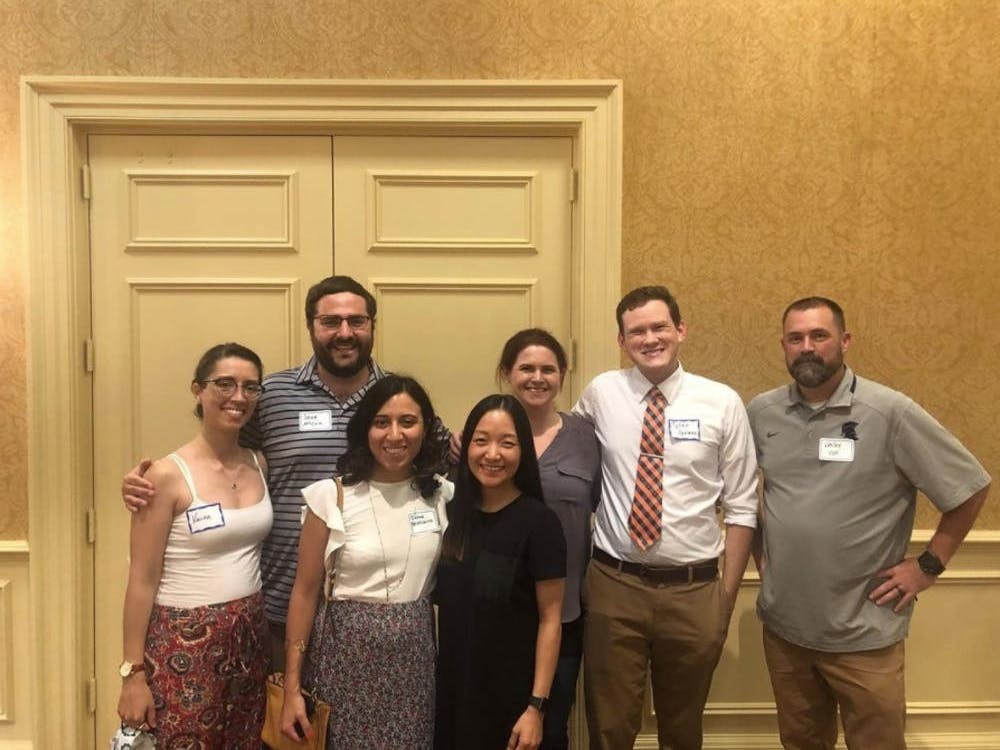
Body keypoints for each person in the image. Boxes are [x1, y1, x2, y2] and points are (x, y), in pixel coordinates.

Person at [123, 275, 448, 668]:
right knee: (284, 724)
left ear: (372, 326)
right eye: (330, 322)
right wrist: (149, 480)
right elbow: (225, 454)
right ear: (311, 326)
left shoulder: (396, 398)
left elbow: (450, 456)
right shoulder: (272, 395)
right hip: (280, 604)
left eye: (356, 321)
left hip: (370, 610)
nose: (344, 332)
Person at [747, 296, 991, 750]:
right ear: (782, 345)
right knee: (800, 743)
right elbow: (742, 497)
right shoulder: (762, 413)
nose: (807, 347)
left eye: (819, 336)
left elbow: (970, 486)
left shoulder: (889, 412)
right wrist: (763, 558)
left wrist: (927, 567)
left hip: (865, 634)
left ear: (844, 340)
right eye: (795, 338)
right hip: (785, 631)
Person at [573, 286, 758, 750]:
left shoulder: (721, 402)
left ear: (680, 330)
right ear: (622, 340)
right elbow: (560, 449)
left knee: (682, 728)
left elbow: (742, 506)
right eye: (637, 331)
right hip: (615, 585)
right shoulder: (601, 393)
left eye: (659, 327)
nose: (649, 338)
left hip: (693, 591)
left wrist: (724, 598)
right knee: (611, 729)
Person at [280, 374, 451, 748]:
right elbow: (305, 593)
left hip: (413, 665)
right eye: (381, 422)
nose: (395, 435)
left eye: (408, 421)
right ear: (364, 429)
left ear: (425, 428)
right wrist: (292, 687)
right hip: (342, 663)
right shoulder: (330, 497)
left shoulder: (439, 494)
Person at [116, 343, 272, 749]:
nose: (238, 397)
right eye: (224, 384)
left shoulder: (260, 462)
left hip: (249, 638)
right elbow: (141, 580)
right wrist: (132, 674)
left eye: (250, 387)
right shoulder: (166, 475)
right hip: (182, 645)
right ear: (197, 390)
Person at [435, 394, 567, 750]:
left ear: (522, 451)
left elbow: (551, 620)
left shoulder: (540, 523)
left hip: (513, 701)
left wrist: (536, 707)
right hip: (453, 694)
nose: (492, 454)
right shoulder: (451, 515)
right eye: (481, 441)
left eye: (507, 443)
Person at [495, 328, 601, 750]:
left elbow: (600, 505)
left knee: (551, 726)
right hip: (498, 613)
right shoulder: (485, 431)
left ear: (563, 375)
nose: (537, 378)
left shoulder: (588, 438)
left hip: (565, 612)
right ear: (507, 373)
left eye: (548, 369)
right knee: (497, 722)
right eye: (526, 368)